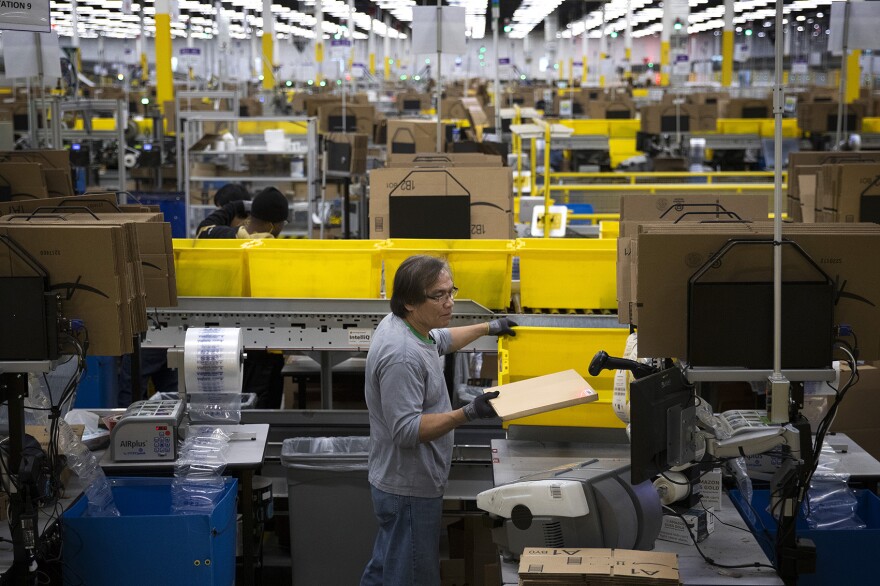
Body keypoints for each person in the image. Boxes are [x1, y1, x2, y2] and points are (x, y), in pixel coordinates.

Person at [360, 255, 517, 586]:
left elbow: (441, 341)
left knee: (386, 568)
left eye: (451, 291)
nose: (450, 302)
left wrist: (489, 327)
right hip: (408, 486)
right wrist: (468, 412)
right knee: (413, 575)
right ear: (410, 302)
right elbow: (406, 431)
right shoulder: (401, 355)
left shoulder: (409, 326)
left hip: (401, 481)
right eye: (439, 295)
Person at [197, 186, 290, 408]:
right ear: (274, 225)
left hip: (228, 344)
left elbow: (203, 228)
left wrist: (234, 207)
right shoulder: (273, 249)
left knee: (235, 409)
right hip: (266, 348)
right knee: (263, 415)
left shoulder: (229, 238)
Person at [197, 186, 288, 239]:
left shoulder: (228, 237)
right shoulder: (275, 249)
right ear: (271, 226)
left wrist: (235, 205)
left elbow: (203, 229)